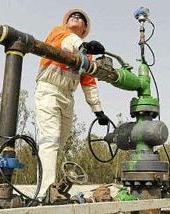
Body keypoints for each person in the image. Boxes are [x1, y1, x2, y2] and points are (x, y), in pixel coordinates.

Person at [34, 8, 109, 198]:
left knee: (59, 143)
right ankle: (45, 192)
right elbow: (70, 43)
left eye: (81, 18)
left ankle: (51, 189)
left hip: (68, 96)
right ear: (67, 23)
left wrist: (98, 111)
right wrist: (85, 46)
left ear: (84, 28)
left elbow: (89, 84)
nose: (76, 18)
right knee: (49, 139)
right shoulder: (59, 32)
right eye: (73, 17)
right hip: (49, 89)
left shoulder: (87, 58)